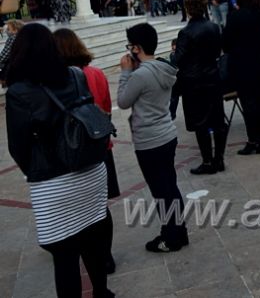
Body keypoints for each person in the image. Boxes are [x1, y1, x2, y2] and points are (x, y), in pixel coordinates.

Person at [5, 24, 114, 297]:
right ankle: (102, 292)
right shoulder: (76, 75)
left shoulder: (19, 92)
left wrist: (36, 169)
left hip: (54, 181)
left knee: (65, 256)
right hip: (91, 170)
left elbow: (18, 146)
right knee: (93, 241)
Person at [53, 28, 121, 274]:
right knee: (100, 206)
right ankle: (106, 256)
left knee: (77, 210)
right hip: (100, 146)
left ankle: (89, 256)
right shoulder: (96, 73)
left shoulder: (58, 81)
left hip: (72, 152)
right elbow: (105, 108)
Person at [117, 23, 189, 253]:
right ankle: (178, 231)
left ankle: (171, 238)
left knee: (161, 191)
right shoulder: (162, 67)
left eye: (130, 46)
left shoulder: (139, 75)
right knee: (169, 186)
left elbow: (123, 101)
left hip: (149, 140)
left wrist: (125, 73)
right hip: (166, 133)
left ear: (136, 47)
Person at [174, 0, 227, 174]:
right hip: (213, 77)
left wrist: (172, 56)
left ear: (188, 9)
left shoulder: (186, 32)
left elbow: (178, 59)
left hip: (194, 82)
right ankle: (218, 159)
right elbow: (219, 50)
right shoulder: (214, 27)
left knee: (201, 123)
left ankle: (207, 161)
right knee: (218, 120)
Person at [223, 0, 260, 155]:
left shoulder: (234, 16)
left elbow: (226, 43)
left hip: (242, 64)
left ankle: (253, 140)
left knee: (248, 103)